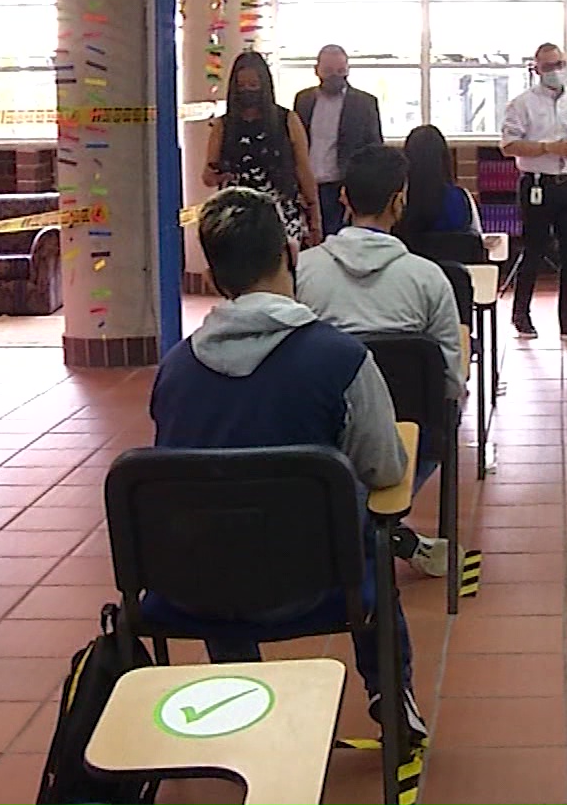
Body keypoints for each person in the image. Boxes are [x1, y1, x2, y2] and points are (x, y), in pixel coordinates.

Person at [149, 187, 426, 744]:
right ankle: (388, 691)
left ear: (214, 270)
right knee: (372, 539)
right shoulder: (340, 359)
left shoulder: (175, 370)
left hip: (195, 589)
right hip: (321, 585)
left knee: (217, 524)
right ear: (291, 253)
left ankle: (239, 686)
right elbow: (382, 469)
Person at [295, 144, 464, 581]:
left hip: (314, 439)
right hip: (410, 438)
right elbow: (449, 378)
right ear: (398, 201)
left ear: (344, 199)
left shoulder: (302, 272)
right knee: (440, 417)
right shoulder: (429, 278)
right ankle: (378, 530)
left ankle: (355, 527)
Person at [501, 42, 567, 344]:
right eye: (547, 67)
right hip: (537, 184)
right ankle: (521, 315)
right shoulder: (522, 103)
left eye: (558, 65)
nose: (554, 72)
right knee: (534, 251)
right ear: (536, 69)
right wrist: (546, 147)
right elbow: (508, 145)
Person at [204, 51, 319, 245]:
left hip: (281, 214)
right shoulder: (224, 125)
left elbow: (303, 170)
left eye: (253, 85)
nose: (248, 91)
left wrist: (314, 217)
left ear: (264, 86)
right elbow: (207, 177)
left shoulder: (287, 120)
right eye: (241, 86)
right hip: (236, 218)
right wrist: (220, 173)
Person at [293, 44, 384, 236]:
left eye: (340, 70)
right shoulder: (304, 100)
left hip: (343, 187)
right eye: (328, 70)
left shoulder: (364, 103)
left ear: (348, 70)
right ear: (316, 70)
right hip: (309, 185)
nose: (335, 76)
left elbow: (374, 149)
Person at [396, 124, 483, 239]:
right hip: (455, 256)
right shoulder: (462, 198)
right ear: (444, 157)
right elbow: (477, 239)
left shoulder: (397, 202)